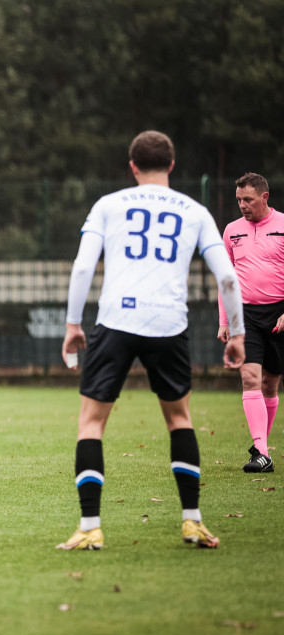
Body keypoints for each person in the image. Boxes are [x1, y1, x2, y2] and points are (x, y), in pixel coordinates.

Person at [58, 131, 246, 551]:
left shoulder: (109, 205)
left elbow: (83, 266)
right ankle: (192, 522)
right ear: (172, 166)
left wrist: (73, 324)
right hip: (168, 323)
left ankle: (90, 527)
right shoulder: (194, 211)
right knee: (179, 419)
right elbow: (229, 277)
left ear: (132, 166)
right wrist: (237, 333)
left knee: (91, 423)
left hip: (116, 320)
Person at [216, 172, 284, 474]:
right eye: (239, 200)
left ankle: (261, 448)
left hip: (280, 314)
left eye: (248, 199)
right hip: (245, 316)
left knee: (270, 384)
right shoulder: (231, 231)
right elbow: (225, 280)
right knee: (250, 379)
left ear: (264, 197)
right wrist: (225, 320)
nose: (242, 205)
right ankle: (262, 452)